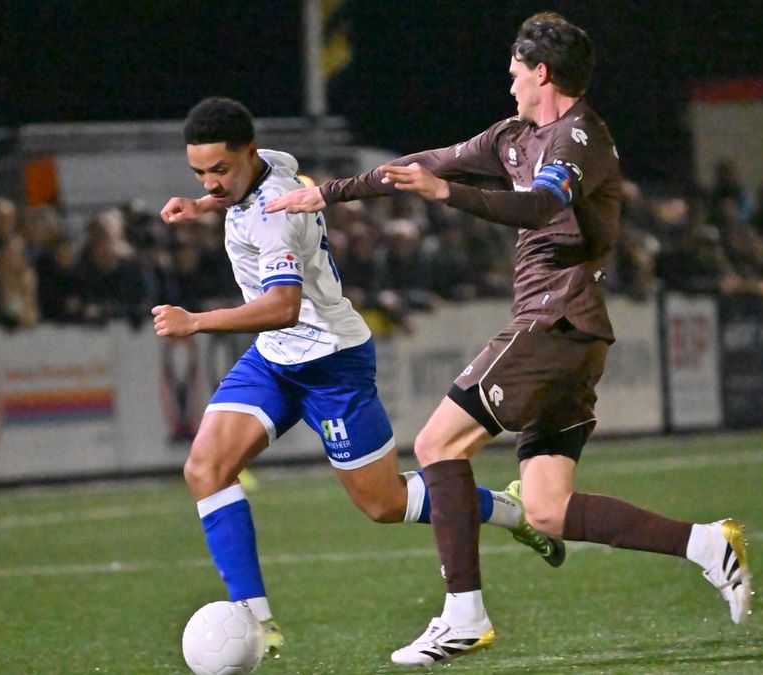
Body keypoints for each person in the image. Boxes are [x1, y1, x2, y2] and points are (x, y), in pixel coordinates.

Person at [267, 12, 752, 667]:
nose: (510, 83)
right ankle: (706, 544)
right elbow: (420, 166)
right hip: (571, 334)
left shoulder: (579, 139)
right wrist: (326, 194)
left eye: (516, 72)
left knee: (439, 442)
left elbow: (539, 208)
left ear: (542, 72)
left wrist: (448, 194)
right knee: (548, 510)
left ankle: (464, 614)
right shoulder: (514, 137)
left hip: (555, 322)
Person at [154, 97, 564, 655]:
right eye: (200, 171)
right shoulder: (269, 163)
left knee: (385, 504)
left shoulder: (276, 214)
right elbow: (246, 193)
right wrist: (205, 204)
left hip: (330, 361)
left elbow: (282, 307)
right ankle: (255, 619)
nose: (211, 180)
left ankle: (513, 511)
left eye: (219, 170)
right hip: (274, 360)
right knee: (205, 468)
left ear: (247, 154)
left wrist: (196, 322)